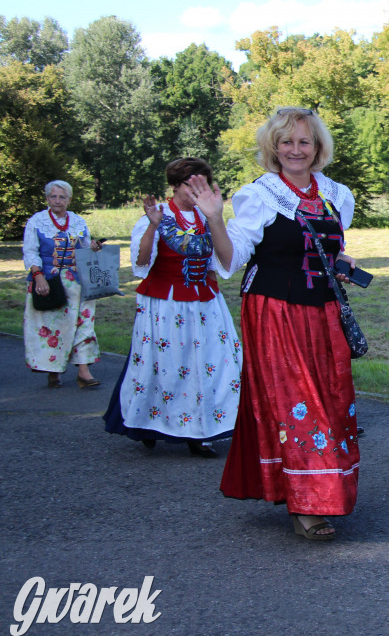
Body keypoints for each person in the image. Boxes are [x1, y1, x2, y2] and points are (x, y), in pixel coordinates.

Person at [198, 108, 361, 541]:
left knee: (332, 399)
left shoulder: (335, 194)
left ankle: (321, 489)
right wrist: (215, 219)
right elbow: (231, 259)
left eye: (304, 141)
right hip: (276, 311)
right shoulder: (261, 194)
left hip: (323, 311)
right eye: (286, 141)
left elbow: (326, 246)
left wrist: (341, 263)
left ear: (317, 147)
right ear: (273, 147)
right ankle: (307, 503)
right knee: (297, 402)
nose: (295, 149)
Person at [103, 158, 240, 458]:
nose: (198, 191)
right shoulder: (157, 215)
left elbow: (217, 263)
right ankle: (150, 425)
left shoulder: (207, 216)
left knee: (209, 365)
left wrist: (212, 296)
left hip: (204, 304)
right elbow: (141, 264)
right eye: (192, 184)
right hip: (166, 306)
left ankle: (201, 432)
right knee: (165, 365)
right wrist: (153, 226)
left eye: (204, 184)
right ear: (176, 185)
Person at [23, 180, 103, 389]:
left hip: (77, 281)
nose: (57, 201)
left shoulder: (77, 221)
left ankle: (84, 372)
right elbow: (30, 252)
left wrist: (94, 247)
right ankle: (53, 370)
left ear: (69, 199)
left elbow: (85, 248)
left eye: (62, 197)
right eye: (53, 196)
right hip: (49, 281)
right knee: (53, 327)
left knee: (84, 323)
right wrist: (38, 277)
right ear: (47, 198)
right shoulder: (37, 221)